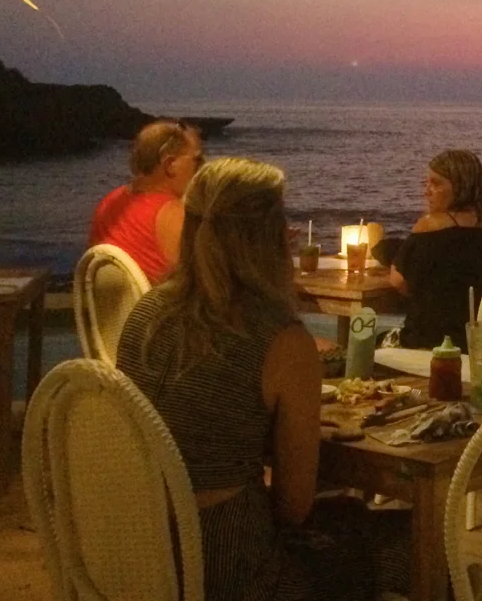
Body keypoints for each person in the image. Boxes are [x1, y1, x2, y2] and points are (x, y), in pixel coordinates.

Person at [116, 157, 407, 601]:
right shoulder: (280, 340)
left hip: (138, 551)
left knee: (346, 515)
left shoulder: (145, 315)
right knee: (411, 542)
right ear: (267, 236)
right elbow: (293, 507)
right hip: (230, 571)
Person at [389, 149, 482, 350]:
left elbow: (398, 281)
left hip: (433, 346)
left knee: (366, 343)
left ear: (461, 187)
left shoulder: (430, 226)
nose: (427, 191)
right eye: (426, 183)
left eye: (436, 184)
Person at [88, 120, 202, 284]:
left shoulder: (108, 202)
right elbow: (200, 281)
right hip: (160, 300)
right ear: (170, 164)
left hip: (110, 300)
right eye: (197, 160)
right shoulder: (175, 214)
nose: (202, 167)